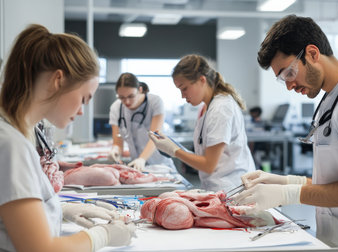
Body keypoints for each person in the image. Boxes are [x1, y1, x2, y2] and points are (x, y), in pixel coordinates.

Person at [231, 15, 338, 251]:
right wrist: (282, 181)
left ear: (312, 53)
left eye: (288, 73)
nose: (289, 85)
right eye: (282, 79)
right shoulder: (331, 100)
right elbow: (336, 179)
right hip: (336, 239)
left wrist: (289, 193)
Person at [0, 24, 135, 252]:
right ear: (58, 80)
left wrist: (57, 211)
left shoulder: (14, 136)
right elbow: (40, 249)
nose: (82, 111)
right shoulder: (11, 144)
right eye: (84, 98)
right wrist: (103, 236)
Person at [149, 54, 256, 192]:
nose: (182, 95)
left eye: (184, 88)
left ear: (202, 80)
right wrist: (173, 145)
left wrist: (175, 151)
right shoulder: (206, 107)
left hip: (233, 188)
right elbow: (203, 157)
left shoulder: (220, 108)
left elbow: (208, 164)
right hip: (219, 187)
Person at [108, 72, 176, 172]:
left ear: (140, 90)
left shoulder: (155, 102)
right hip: (137, 167)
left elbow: (155, 136)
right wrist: (116, 150)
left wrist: (142, 159)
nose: (126, 102)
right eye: (121, 97)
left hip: (161, 165)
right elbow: (118, 141)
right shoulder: (116, 107)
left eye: (131, 96)